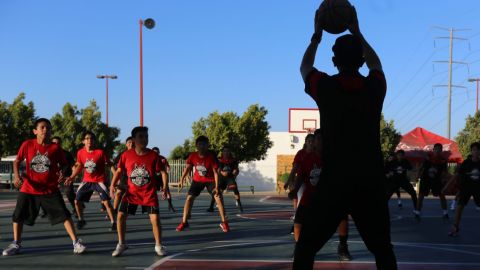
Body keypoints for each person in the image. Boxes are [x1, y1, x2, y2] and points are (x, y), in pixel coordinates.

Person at [294, 6, 397, 270]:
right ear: (361, 60)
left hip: (335, 181)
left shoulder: (327, 87)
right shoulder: (375, 87)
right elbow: (377, 64)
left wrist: (316, 36)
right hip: (370, 181)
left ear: (334, 61)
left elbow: (305, 66)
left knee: (305, 247)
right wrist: (358, 32)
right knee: (383, 250)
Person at [2, 118, 86, 256]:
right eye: (42, 127)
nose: (45, 130)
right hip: (29, 188)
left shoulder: (55, 148)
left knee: (65, 215)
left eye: (48, 128)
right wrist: (17, 177)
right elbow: (17, 161)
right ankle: (16, 243)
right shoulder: (27, 144)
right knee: (18, 216)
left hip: (50, 189)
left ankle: (76, 243)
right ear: (35, 131)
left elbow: (64, 165)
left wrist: (61, 173)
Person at [109, 126, 169, 257]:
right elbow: (119, 171)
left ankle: (158, 245)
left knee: (155, 219)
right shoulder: (126, 155)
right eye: (141, 136)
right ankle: (121, 243)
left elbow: (163, 172)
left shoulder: (153, 156)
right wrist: (112, 185)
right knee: (120, 216)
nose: (144, 139)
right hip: (132, 194)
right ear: (134, 139)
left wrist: (165, 188)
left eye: (146, 136)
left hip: (149, 194)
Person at [293, 130, 352, 261]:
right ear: (314, 142)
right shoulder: (307, 158)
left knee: (342, 217)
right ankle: (299, 248)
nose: (320, 141)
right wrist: (294, 189)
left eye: (323, 139)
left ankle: (343, 247)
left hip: (329, 197)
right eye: (318, 139)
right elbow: (301, 176)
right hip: (310, 197)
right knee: (297, 223)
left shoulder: (333, 158)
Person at [176, 136, 229, 232]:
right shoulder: (192, 155)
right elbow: (187, 168)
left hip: (210, 181)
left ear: (208, 145)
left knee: (218, 198)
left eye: (204, 144)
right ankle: (184, 222)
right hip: (197, 181)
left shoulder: (211, 157)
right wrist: (181, 179)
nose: (202, 146)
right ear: (196, 145)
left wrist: (217, 187)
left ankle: (224, 222)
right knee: (189, 198)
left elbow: (215, 173)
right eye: (200, 144)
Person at [64, 131, 116, 231]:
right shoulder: (80, 152)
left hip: (99, 181)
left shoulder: (100, 152)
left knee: (106, 203)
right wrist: (71, 177)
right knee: (76, 201)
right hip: (87, 181)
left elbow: (109, 164)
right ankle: (81, 219)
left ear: (94, 141)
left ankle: (114, 222)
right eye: (87, 138)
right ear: (83, 141)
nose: (89, 140)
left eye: (91, 138)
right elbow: (79, 166)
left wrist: (116, 176)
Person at [448, 142, 480, 236]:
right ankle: (455, 227)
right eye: (474, 150)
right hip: (466, 188)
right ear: (471, 151)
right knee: (459, 207)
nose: (476, 151)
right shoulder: (466, 163)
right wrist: (447, 185)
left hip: (478, 189)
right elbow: (457, 174)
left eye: (477, 150)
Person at [415, 143, 449, 219]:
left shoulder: (443, 161)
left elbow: (445, 172)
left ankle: (445, 213)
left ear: (441, 151)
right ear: (433, 150)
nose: (437, 151)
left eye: (439, 149)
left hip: (436, 180)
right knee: (421, 196)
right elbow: (421, 168)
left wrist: (446, 179)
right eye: (436, 149)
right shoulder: (427, 158)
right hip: (425, 179)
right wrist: (417, 176)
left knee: (442, 195)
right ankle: (417, 212)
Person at [207, 146, 243, 213]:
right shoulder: (219, 160)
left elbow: (236, 169)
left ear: (230, 152)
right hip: (221, 178)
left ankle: (239, 204)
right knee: (216, 191)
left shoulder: (233, 160)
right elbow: (217, 170)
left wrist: (235, 172)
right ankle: (211, 207)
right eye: (225, 151)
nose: (226, 152)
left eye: (227, 151)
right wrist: (222, 172)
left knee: (234, 188)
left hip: (230, 178)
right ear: (222, 152)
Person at [51, 136, 78, 217]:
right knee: (48, 195)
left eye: (58, 143)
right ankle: (46, 211)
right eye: (54, 143)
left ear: (61, 144)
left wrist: (73, 175)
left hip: (66, 178)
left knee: (69, 193)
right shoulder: (49, 153)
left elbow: (73, 166)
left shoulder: (67, 154)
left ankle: (76, 208)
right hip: (53, 179)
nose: (56, 144)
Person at [111, 137, 134, 212]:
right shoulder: (122, 154)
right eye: (129, 142)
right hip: (124, 178)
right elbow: (112, 165)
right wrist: (116, 176)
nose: (131, 144)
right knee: (118, 193)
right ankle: (114, 209)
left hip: (134, 179)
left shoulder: (139, 153)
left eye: (133, 142)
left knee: (130, 196)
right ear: (126, 144)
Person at [152, 147, 176, 212]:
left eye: (157, 152)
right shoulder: (150, 159)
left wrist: (168, 168)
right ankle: (153, 206)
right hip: (154, 177)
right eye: (154, 152)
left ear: (159, 152)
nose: (156, 154)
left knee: (167, 191)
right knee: (152, 192)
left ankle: (170, 205)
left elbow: (168, 166)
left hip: (162, 176)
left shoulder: (162, 158)